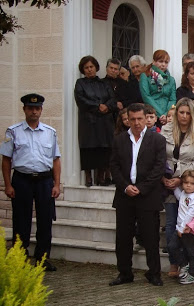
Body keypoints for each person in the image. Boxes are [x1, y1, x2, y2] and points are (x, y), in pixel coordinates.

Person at [108, 103, 166, 287]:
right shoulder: (119, 140)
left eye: (140, 119)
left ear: (146, 118)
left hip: (147, 196)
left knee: (150, 237)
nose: (136, 123)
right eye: (132, 119)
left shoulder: (157, 140)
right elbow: (114, 166)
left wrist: (141, 188)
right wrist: (126, 186)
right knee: (123, 237)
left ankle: (154, 273)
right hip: (125, 196)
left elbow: (158, 168)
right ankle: (125, 273)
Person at [1, 93, 61, 272]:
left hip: (44, 181)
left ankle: (43, 258)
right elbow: (6, 160)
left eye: (37, 108)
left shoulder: (50, 132)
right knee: (21, 219)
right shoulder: (13, 131)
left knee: (45, 220)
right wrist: (8, 185)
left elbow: (56, 160)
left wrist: (57, 184)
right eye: (30, 108)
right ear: (24, 109)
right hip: (22, 180)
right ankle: (20, 257)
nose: (34, 111)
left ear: (41, 110)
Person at [160, 97, 194, 278]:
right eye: (181, 112)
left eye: (188, 113)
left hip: (188, 184)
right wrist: (165, 176)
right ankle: (174, 262)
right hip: (167, 181)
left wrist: (181, 178)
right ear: (176, 113)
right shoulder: (166, 130)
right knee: (171, 223)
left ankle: (187, 263)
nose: (184, 116)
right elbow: (159, 155)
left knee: (187, 224)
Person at [74, 55, 117, 187]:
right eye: (86, 67)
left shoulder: (104, 83)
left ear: (96, 68)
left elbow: (112, 99)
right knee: (89, 148)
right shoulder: (80, 83)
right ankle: (88, 177)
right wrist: (98, 106)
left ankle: (101, 176)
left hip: (105, 121)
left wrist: (107, 107)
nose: (89, 70)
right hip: (89, 121)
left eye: (91, 67)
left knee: (104, 148)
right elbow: (81, 100)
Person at [171, 169, 194, 285]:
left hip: (188, 230)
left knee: (192, 252)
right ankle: (184, 265)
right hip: (179, 228)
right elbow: (178, 195)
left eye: (192, 183)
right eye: (186, 183)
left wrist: (182, 227)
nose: (188, 185)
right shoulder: (184, 194)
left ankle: (193, 275)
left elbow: (190, 213)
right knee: (172, 246)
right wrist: (173, 186)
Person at [139, 50, 176, 126]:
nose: (163, 64)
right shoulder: (145, 76)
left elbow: (173, 99)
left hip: (168, 117)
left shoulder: (171, 79)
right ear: (154, 61)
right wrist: (159, 114)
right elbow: (146, 96)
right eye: (160, 61)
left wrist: (167, 114)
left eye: (166, 62)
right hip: (151, 115)